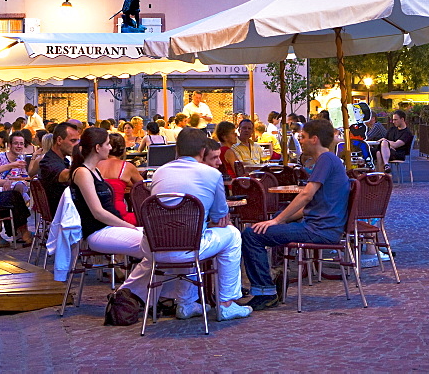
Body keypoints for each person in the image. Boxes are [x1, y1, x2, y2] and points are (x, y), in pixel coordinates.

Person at [129, 127, 252, 322]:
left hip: (154, 247)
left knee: (186, 233)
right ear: (203, 152)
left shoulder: (160, 172)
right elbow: (221, 216)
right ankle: (226, 304)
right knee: (232, 234)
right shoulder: (212, 174)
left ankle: (186, 303)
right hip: (190, 247)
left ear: (177, 150)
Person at [240, 119, 350, 310]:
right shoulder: (330, 160)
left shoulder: (325, 159)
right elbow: (307, 205)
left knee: (251, 235)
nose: (301, 140)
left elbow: (306, 195)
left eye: (303, 137)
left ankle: (266, 292)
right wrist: (276, 221)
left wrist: (277, 220)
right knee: (265, 227)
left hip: (318, 230)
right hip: (321, 227)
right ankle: (274, 274)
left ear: (314, 139)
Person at [68, 127, 152, 321]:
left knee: (159, 246)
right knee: (156, 246)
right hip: (98, 232)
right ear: (98, 147)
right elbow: (97, 212)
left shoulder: (95, 170)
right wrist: (128, 226)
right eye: (107, 143)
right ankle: (128, 295)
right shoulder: (82, 173)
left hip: (108, 228)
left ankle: (141, 295)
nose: (109, 147)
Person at [28, 121, 78, 215]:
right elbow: (67, 175)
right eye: (73, 141)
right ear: (59, 140)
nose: (76, 144)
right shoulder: (48, 162)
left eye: (77, 141)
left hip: (70, 211)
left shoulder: (62, 160)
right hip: (64, 215)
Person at [97, 132, 143, 226]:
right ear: (123, 149)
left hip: (98, 215)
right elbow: (143, 187)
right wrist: (129, 184)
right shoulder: (127, 167)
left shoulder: (95, 165)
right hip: (119, 216)